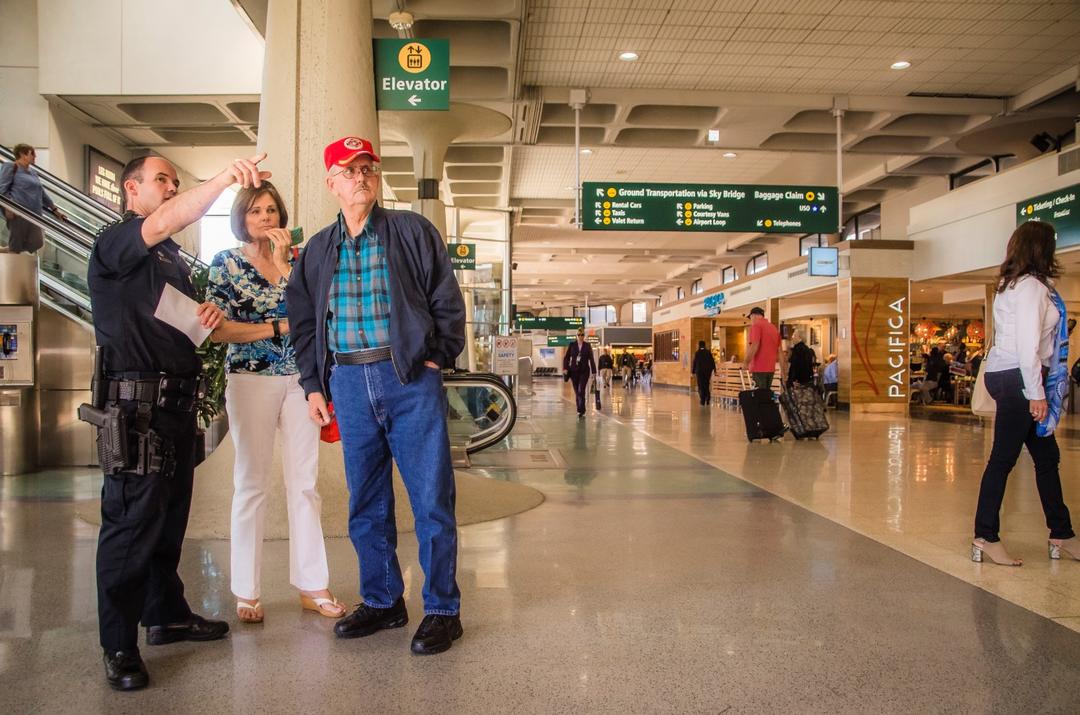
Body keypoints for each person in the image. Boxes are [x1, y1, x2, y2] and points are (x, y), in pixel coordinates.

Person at [87, 153, 268, 690]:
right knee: (129, 528)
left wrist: (207, 319)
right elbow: (168, 219)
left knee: (168, 523)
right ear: (131, 189)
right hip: (135, 409)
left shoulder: (171, 260)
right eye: (160, 180)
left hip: (175, 407)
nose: (169, 188)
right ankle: (118, 645)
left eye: (174, 181)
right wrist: (223, 180)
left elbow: (191, 329)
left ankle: (165, 614)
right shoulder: (118, 242)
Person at [286, 136, 466, 655]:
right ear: (332, 183)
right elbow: (304, 322)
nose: (360, 177)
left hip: (407, 378)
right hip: (347, 381)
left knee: (431, 498)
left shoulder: (411, 231)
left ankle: (441, 610)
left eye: (367, 167)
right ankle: (385, 600)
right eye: (348, 170)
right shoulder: (319, 249)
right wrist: (314, 384)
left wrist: (439, 355)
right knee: (365, 502)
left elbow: (444, 298)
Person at [206, 181, 344, 625]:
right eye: (254, 211)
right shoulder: (225, 263)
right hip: (250, 380)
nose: (265, 218)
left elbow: (318, 317)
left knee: (305, 483)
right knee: (251, 482)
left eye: (271, 210)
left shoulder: (299, 261)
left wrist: (286, 266)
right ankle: (246, 589)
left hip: (302, 382)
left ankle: (312, 584)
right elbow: (219, 331)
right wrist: (276, 328)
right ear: (241, 219)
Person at [972, 220, 1077, 566]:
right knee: (1003, 459)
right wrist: (1036, 393)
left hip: (1012, 375)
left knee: (1047, 458)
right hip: (1021, 378)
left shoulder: (1012, 285)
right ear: (1040, 248)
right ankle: (985, 535)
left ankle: (1061, 533)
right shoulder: (1031, 287)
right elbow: (1029, 345)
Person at [0, 143, 64, 253]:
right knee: (16, 243)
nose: (35, 156)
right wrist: (8, 207)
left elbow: (42, 193)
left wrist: (55, 209)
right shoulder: (11, 167)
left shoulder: (33, 173)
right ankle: (11, 256)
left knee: (37, 242)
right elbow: (2, 189)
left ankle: (8, 249)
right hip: (18, 212)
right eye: (32, 153)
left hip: (35, 214)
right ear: (22, 154)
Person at [743, 306, 780, 390]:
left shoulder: (756, 326)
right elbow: (779, 350)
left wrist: (746, 362)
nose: (751, 320)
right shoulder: (773, 328)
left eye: (751, 317)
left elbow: (754, 345)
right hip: (770, 368)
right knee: (766, 394)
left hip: (759, 367)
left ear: (754, 315)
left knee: (759, 394)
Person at [563, 327, 597, 416]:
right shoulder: (572, 345)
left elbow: (591, 359)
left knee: (581, 390)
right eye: (579, 335)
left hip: (584, 371)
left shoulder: (587, 345)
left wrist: (594, 372)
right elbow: (566, 358)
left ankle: (582, 410)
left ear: (584, 336)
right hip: (573, 372)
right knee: (577, 392)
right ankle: (579, 409)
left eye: (582, 335)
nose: (580, 336)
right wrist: (565, 368)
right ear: (576, 335)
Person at [691, 340, 716, 406]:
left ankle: (702, 399)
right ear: (704, 345)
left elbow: (695, 362)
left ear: (699, 345)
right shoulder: (708, 352)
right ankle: (708, 397)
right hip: (708, 371)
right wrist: (714, 369)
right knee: (706, 384)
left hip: (700, 372)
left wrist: (693, 371)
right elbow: (712, 361)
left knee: (701, 385)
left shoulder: (697, 353)